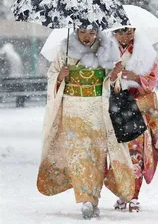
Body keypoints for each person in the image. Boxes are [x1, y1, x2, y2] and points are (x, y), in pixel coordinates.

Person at [37, 29, 136, 219]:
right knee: (78, 154)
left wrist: (114, 75)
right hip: (73, 109)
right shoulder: (65, 51)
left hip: (98, 108)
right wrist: (60, 76)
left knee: (97, 155)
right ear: (75, 31)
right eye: (82, 31)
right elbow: (52, 76)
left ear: (97, 32)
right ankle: (85, 199)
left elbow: (112, 85)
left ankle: (93, 197)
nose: (87, 37)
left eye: (91, 32)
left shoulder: (107, 50)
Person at [111, 27, 158, 212]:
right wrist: (114, 75)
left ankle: (133, 195)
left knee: (136, 152)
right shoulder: (106, 50)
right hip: (114, 104)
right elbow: (102, 79)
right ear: (113, 33)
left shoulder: (145, 52)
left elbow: (152, 81)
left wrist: (135, 77)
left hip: (137, 105)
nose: (125, 36)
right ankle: (121, 193)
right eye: (120, 32)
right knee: (117, 152)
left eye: (128, 31)